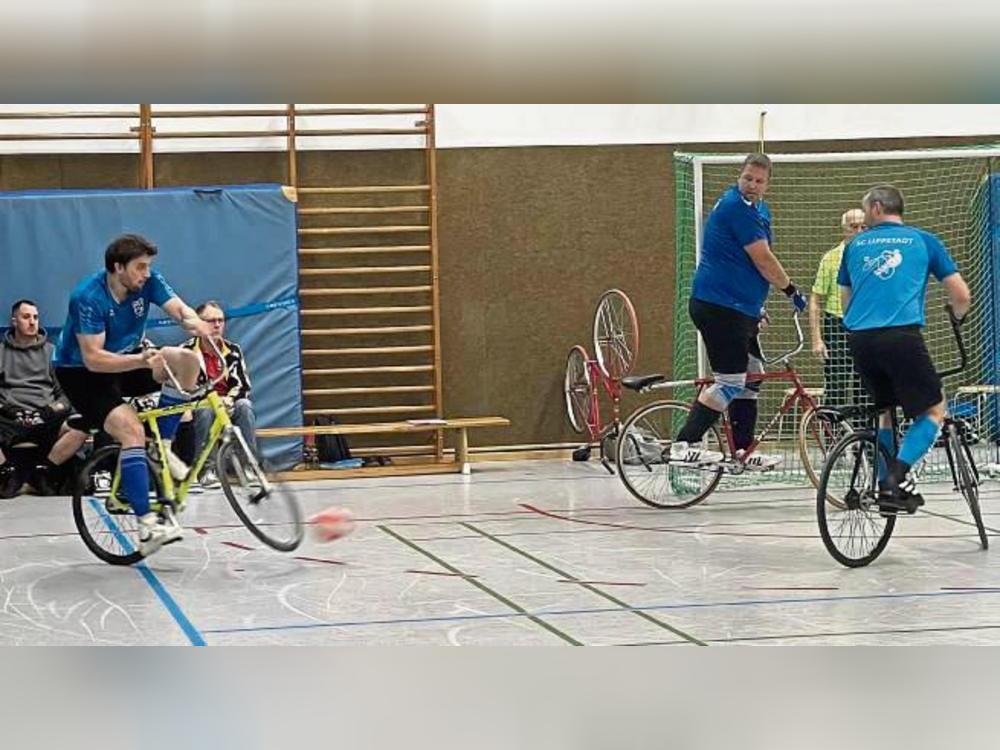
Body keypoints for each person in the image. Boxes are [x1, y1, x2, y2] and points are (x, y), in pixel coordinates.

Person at [52, 234, 213, 553]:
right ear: (118, 267)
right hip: (82, 373)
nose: (146, 273)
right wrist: (141, 360)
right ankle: (147, 525)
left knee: (186, 361)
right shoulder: (88, 297)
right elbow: (94, 359)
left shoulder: (148, 282)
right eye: (140, 267)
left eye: (148, 266)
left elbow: (181, 310)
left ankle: (161, 447)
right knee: (132, 431)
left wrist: (196, 323)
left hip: (127, 359)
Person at [838, 184, 971, 511]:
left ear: (877, 207)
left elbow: (845, 301)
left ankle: (885, 491)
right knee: (934, 408)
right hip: (901, 338)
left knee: (885, 411)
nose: (864, 217)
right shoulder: (924, 240)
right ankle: (896, 477)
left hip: (860, 340)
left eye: (865, 210)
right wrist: (958, 316)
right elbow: (961, 295)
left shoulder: (853, 246)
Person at [671, 153, 807, 468]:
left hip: (739, 308)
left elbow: (744, 264)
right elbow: (763, 259)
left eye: (759, 181)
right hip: (720, 307)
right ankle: (683, 445)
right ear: (739, 175)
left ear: (767, 184)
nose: (752, 185)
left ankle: (743, 450)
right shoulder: (736, 208)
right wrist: (791, 290)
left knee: (752, 375)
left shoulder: (759, 209)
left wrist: (755, 306)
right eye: (748, 178)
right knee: (730, 381)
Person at [0, 299, 88, 495]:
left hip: (46, 419)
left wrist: (49, 411)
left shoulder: (53, 352)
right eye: (26, 317)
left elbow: (66, 395)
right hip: (9, 420)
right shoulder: (1, 353)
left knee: (81, 427)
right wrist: (7, 410)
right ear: (14, 321)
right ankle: (6, 473)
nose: (32, 322)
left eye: (35, 317)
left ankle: (44, 472)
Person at [182, 301, 258, 487]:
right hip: (202, 404)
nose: (217, 325)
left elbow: (242, 385)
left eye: (220, 320)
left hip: (228, 403)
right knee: (206, 411)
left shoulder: (233, 351)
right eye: (211, 321)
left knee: (245, 406)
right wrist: (213, 400)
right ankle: (207, 470)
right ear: (199, 323)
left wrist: (229, 399)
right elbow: (186, 389)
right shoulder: (186, 351)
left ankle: (248, 467)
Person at [809, 208, 867, 407]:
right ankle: (834, 426)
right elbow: (816, 299)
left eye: (864, 227)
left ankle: (865, 427)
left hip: (866, 325)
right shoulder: (831, 258)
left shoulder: (875, 258)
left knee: (866, 387)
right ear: (844, 229)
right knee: (836, 385)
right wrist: (817, 339)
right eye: (854, 227)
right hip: (837, 324)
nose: (859, 231)